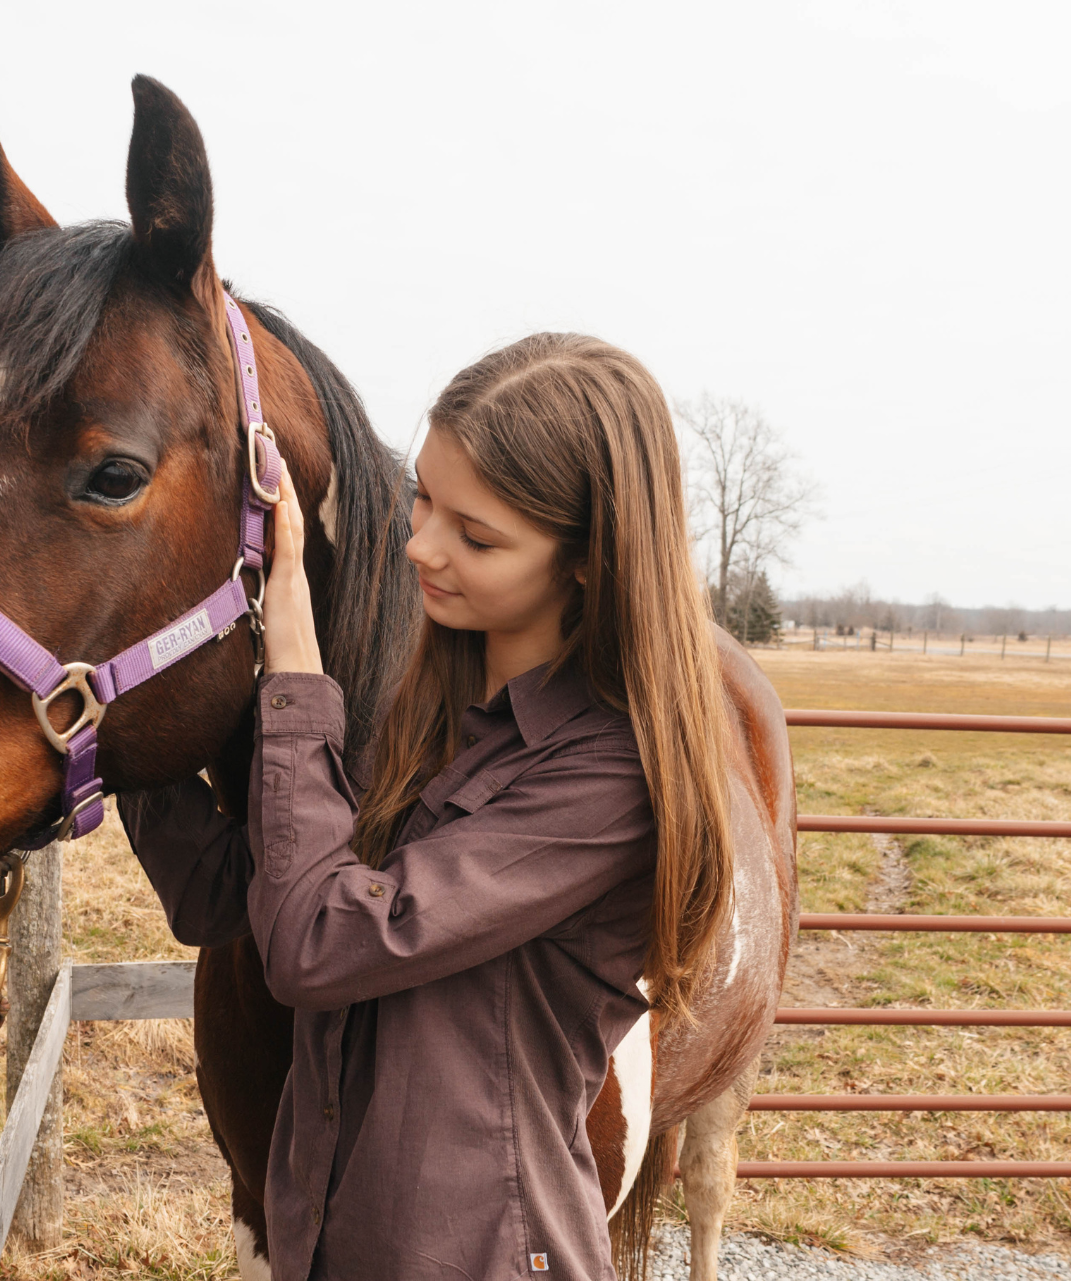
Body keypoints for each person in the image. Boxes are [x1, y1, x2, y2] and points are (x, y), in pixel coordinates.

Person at [122, 333, 738, 1280]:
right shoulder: (423, 712)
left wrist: (294, 670)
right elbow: (231, 895)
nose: (420, 545)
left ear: (587, 560)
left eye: (476, 535)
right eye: (423, 498)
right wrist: (123, 711)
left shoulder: (607, 783)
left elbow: (316, 941)